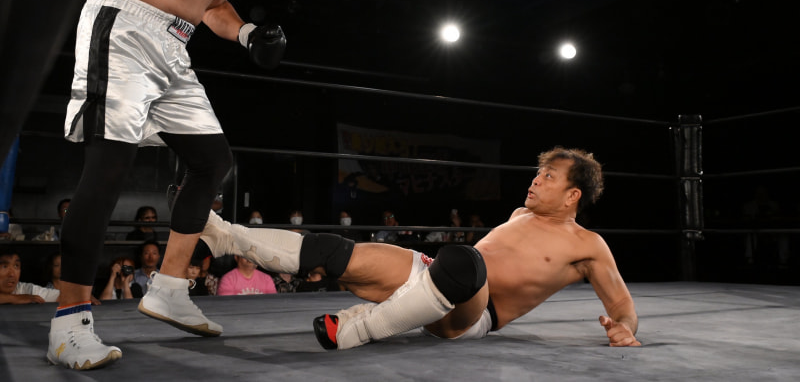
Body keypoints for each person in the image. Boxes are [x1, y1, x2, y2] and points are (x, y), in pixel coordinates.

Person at [48, 0, 291, 370]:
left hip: (174, 47)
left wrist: (249, 34)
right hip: (126, 24)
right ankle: (68, 325)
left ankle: (170, 289)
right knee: (109, 168)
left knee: (212, 161)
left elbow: (214, 5)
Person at [197, 147, 640, 350]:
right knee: (337, 252)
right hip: (436, 279)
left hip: (472, 313)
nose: (536, 180)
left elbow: (621, 304)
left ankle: (361, 328)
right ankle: (224, 233)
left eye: (549, 177)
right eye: (538, 173)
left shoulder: (587, 245)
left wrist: (623, 327)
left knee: (466, 263)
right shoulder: (519, 214)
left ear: (573, 195)